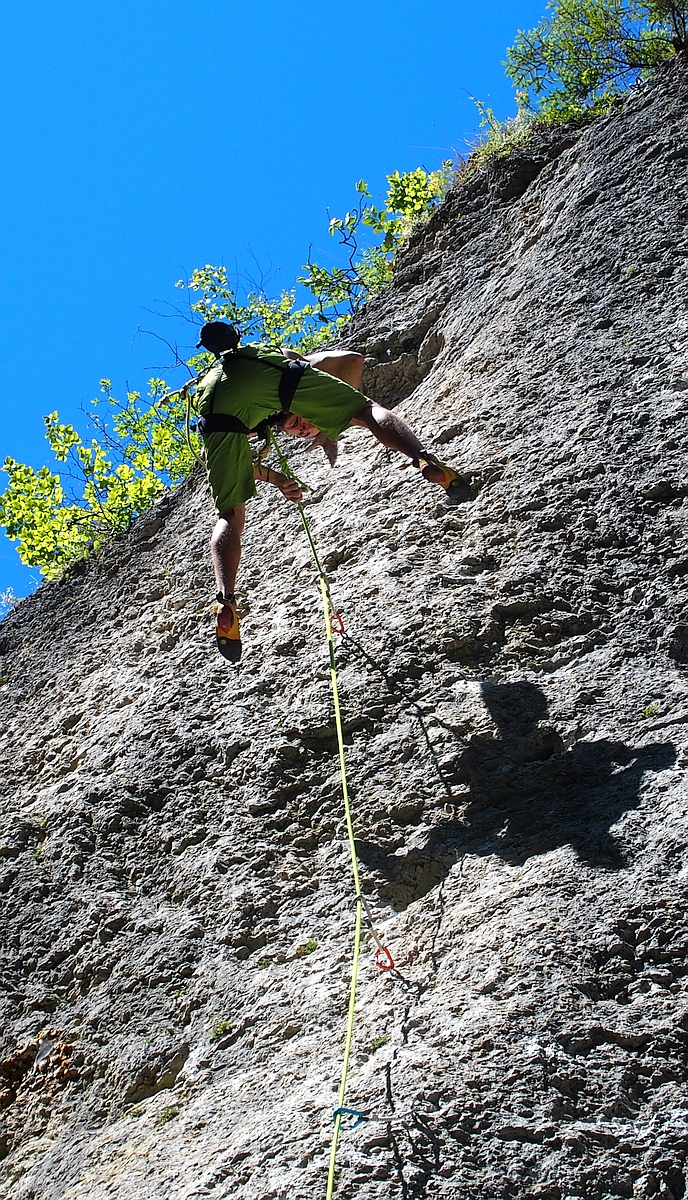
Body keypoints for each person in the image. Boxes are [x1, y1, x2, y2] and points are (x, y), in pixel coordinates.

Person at [195, 321, 470, 661]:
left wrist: (278, 477)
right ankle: (424, 459)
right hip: (276, 379)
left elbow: (223, 465)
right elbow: (351, 359)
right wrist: (330, 422)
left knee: (230, 514)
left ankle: (226, 599)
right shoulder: (271, 355)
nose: (302, 428)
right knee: (367, 411)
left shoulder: (212, 387)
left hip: (215, 416)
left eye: (302, 428)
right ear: (238, 338)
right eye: (299, 427)